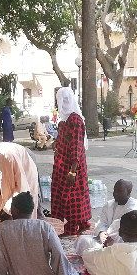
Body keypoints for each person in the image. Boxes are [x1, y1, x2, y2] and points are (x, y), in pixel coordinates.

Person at [0, 192, 88, 275]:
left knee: (69, 270)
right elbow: (59, 255)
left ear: (15, 210)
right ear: (32, 210)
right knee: (71, 271)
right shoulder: (44, 226)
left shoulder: (3, 229)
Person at [51, 86, 91, 236]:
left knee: (71, 197)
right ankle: (83, 223)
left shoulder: (75, 120)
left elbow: (76, 146)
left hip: (72, 166)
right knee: (74, 195)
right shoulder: (65, 120)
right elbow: (65, 140)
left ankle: (71, 228)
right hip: (64, 165)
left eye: (60, 100)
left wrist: (72, 171)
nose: (58, 103)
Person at [0, 135, 40, 219]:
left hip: (26, 172)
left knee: (24, 211)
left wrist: (8, 210)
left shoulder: (8, 156)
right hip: (16, 168)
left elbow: (21, 186)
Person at [75, 179, 137, 255]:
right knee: (83, 240)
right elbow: (102, 221)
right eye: (115, 190)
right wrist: (101, 232)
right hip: (105, 240)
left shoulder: (134, 208)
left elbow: (122, 229)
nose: (115, 194)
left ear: (129, 192)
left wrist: (108, 237)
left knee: (97, 251)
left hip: (124, 243)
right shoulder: (109, 204)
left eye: (119, 191)